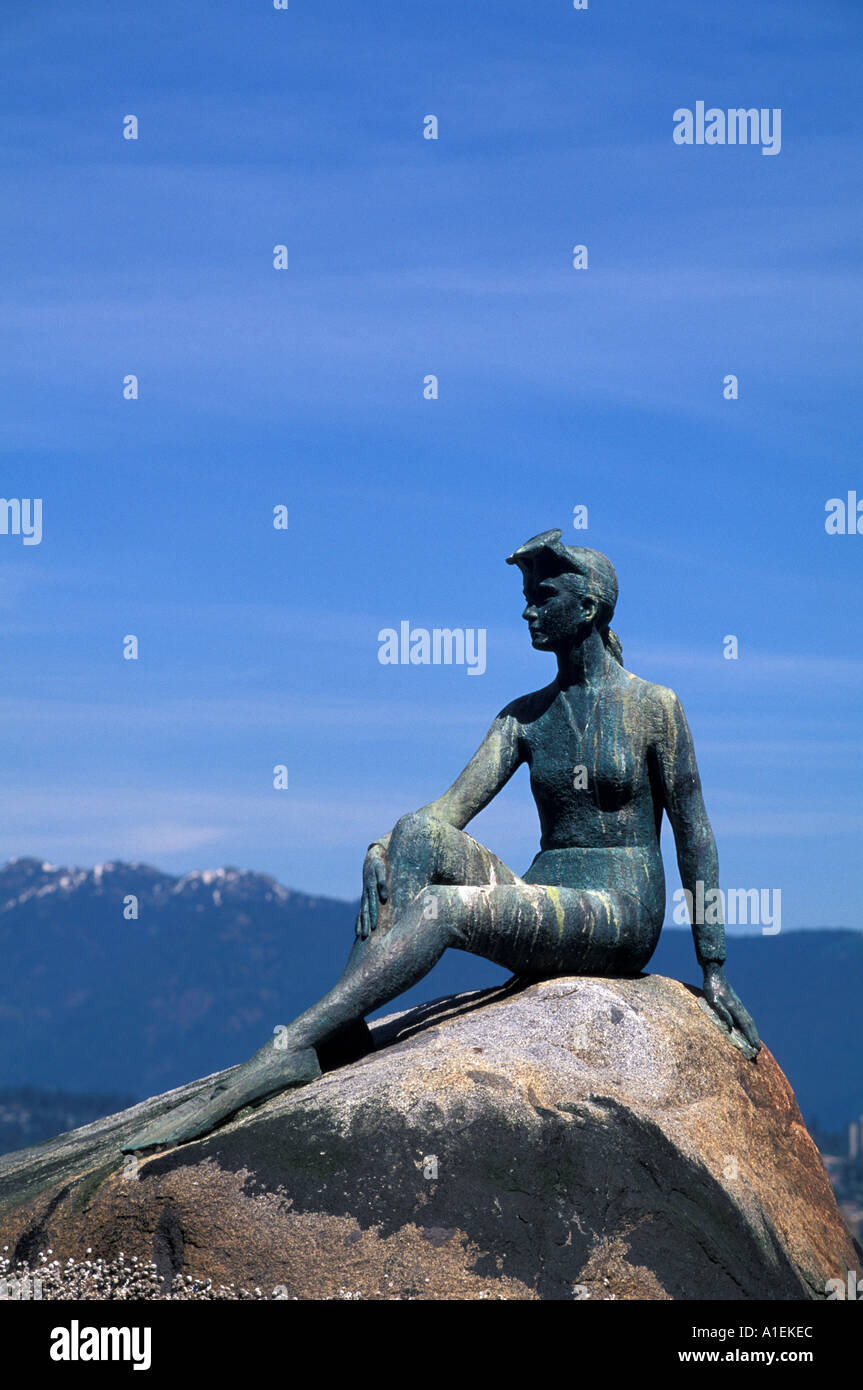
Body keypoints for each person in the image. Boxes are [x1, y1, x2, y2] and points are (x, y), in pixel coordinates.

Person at [123, 529, 759, 1153]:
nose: (527, 608)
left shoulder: (655, 707)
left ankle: (287, 1048)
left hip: (618, 912)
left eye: (543, 596)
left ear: (588, 608)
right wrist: (380, 848)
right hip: (547, 896)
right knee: (413, 836)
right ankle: (340, 1037)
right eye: (527, 595)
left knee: (443, 910)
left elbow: (695, 836)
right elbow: (448, 811)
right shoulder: (523, 716)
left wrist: (715, 967)